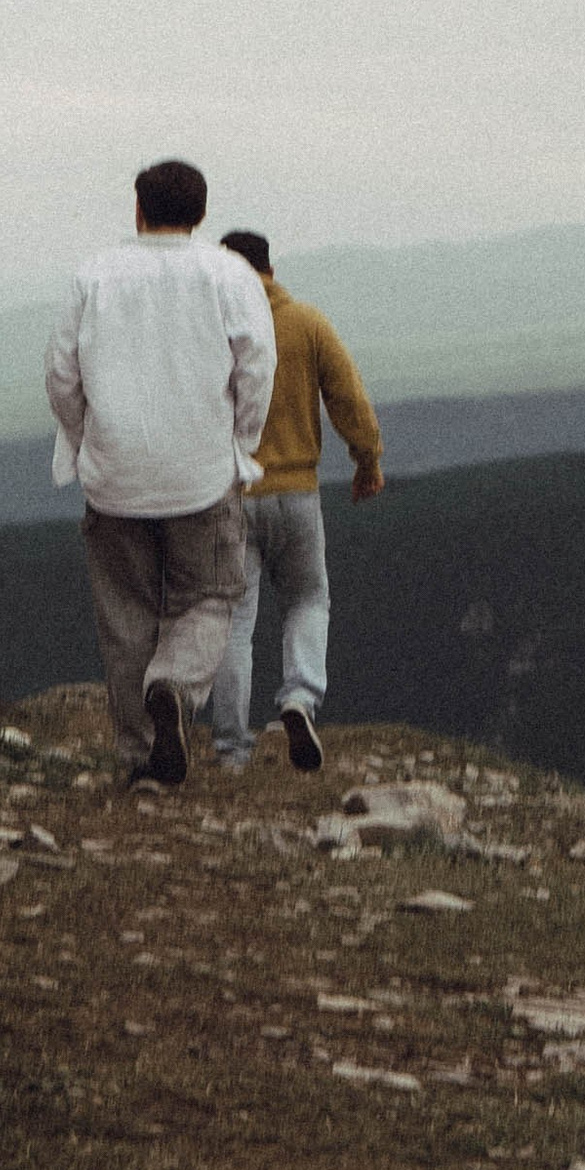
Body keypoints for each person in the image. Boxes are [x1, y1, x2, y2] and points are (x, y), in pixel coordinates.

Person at [45, 157, 276, 786]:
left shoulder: (92, 276)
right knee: (211, 596)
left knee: (126, 616)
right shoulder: (229, 275)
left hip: (114, 474)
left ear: (139, 210)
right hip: (202, 472)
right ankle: (173, 686)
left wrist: (82, 437)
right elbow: (257, 368)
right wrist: (241, 442)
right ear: (201, 214)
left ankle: (140, 759)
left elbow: (61, 375)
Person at [206, 231, 384, 773]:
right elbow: (348, 396)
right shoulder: (307, 322)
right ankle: (300, 699)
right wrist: (367, 460)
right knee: (308, 600)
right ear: (271, 268)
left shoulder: (215, 332)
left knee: (234, 621)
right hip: (298, 493)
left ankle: (233, 748)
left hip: (232, 495)